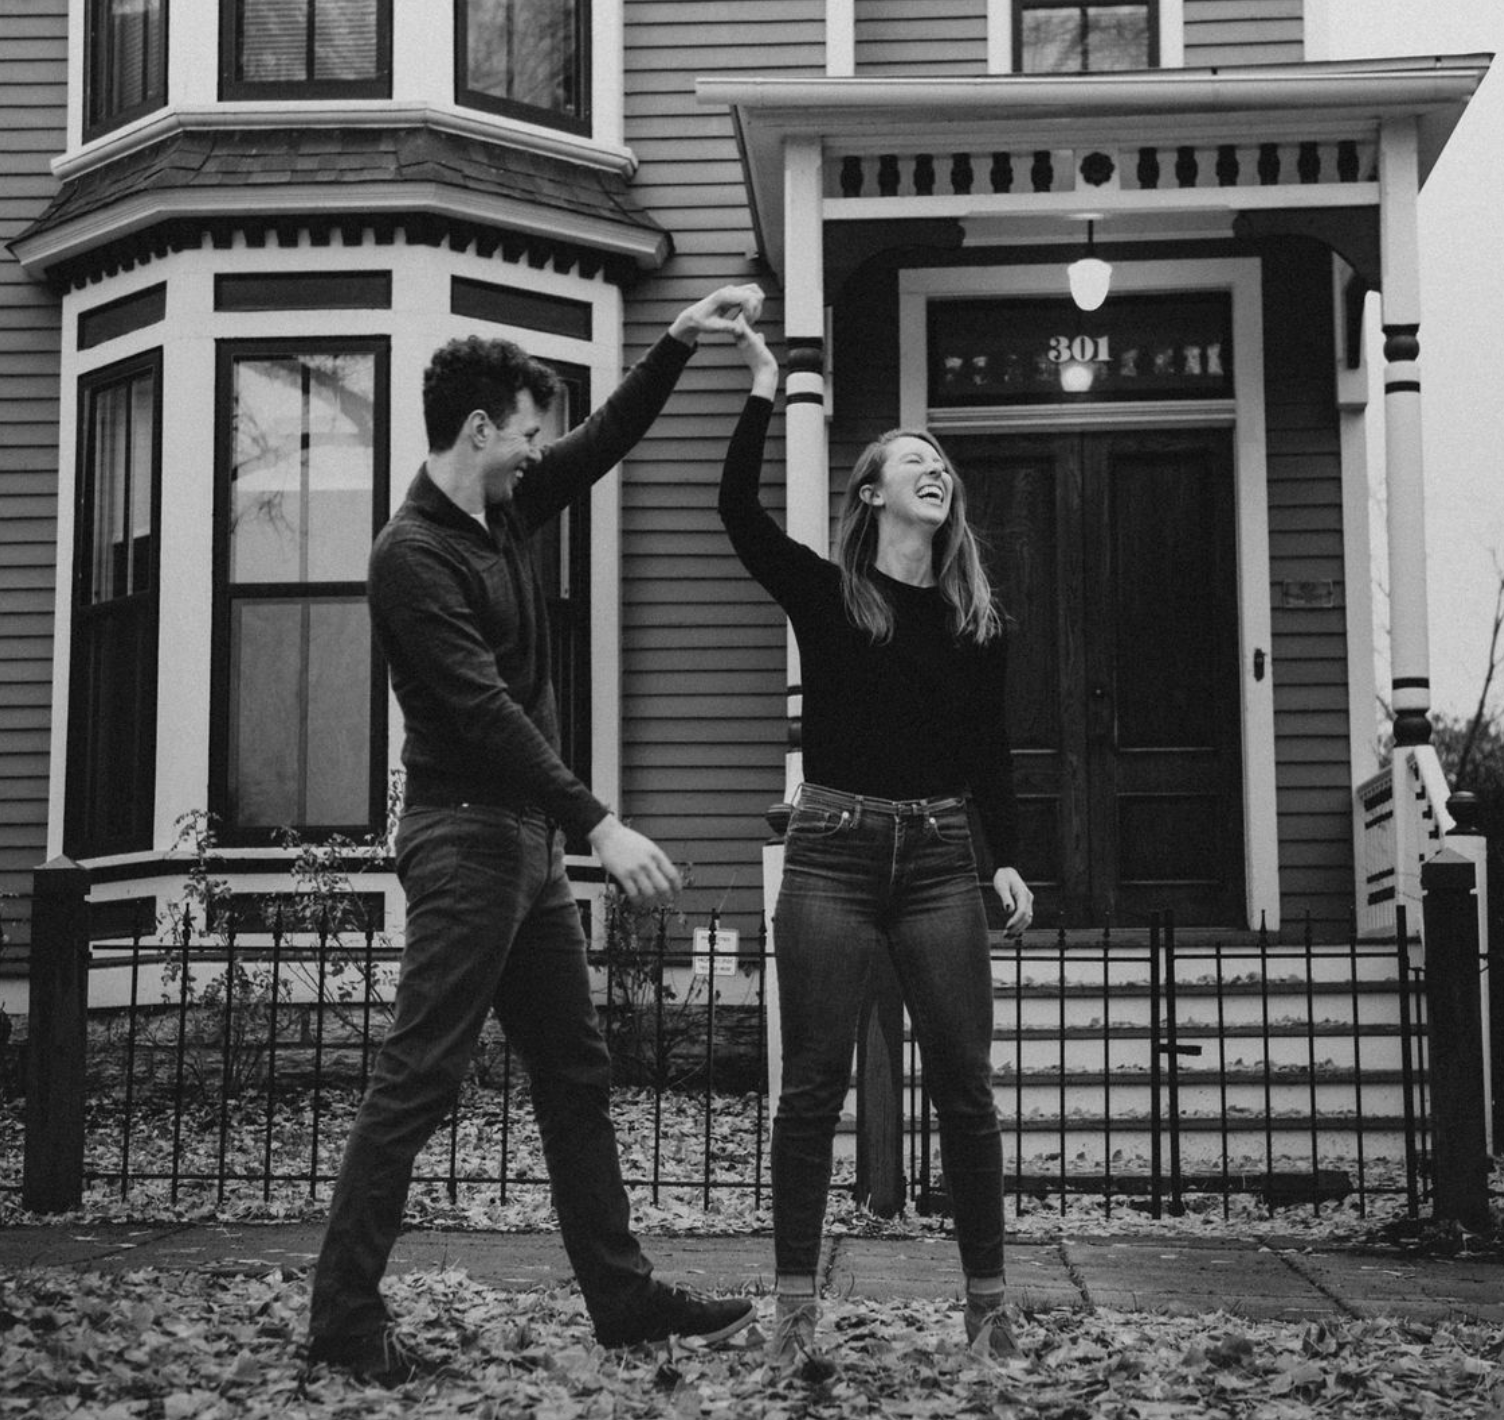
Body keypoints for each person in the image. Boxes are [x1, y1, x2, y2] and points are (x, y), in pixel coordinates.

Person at [306, 284, 767, 1385]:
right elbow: (484, 714)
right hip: (465, 839)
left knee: (573, 1070)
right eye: (523, 433)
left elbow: (603, 439)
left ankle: (622, 1298)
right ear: (479, 431)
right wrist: (598, 822)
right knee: (420, 1077)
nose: (535, 451)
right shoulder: (412, 555)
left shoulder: (503, 511)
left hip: (525, 848)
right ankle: (342, 1318)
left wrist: (678, 341)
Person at [718, 319, 1035, 1371]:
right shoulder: (826, 593)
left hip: (940, 856)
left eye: (940, 463)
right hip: (832, 852)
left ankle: (988, 1312)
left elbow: (988, 752)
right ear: (870, 492)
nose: (933, 470)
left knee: (966, 1090)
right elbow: (736, 513)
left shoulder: (976, 621)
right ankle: (794, 1314)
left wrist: (1004, 855)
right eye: (912, 460)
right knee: (811, 1088)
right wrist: (763, 386)